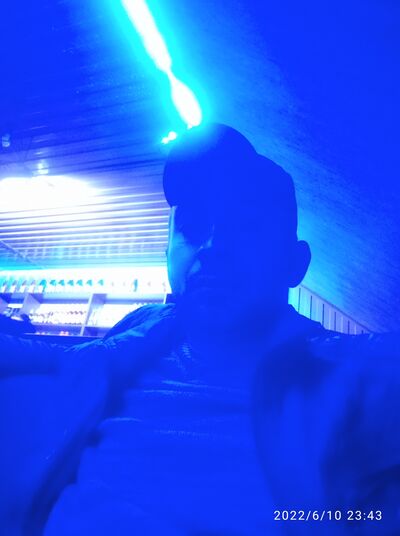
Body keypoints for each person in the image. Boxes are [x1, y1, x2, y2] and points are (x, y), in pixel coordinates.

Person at [0, 123, 398, 535]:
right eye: (192, 225)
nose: (212, 246)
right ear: (166, 252)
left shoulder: (358, 381)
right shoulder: (134, 339)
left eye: (246, 226)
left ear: (295, 264)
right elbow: (45, 365)